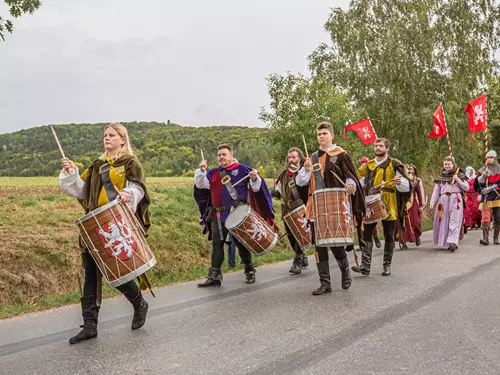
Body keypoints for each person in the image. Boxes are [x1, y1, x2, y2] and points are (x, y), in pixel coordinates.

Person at [59, 123, 151, 344]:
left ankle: (139, 302)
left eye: (111, 135)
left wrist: (129, 194)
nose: (106, 138)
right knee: (90, 274)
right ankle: (90, 326)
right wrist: (71, 173)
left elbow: (137, 188)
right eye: (105, 135)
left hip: (116, 225)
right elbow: (81, 190)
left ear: (122, 139)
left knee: (117, 272)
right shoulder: (97, 165)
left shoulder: (130, 163)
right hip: (93, 226)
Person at [296, 122, 365, 295]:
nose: (321, 136)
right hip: (315, 206)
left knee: (334, 243)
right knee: (319, 245)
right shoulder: (311, 158)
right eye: (319, 134)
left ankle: (345, 270)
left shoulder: (341, 155)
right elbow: (301, 182)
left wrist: (350, 186)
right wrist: (305, 171)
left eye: (325, 133)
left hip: (334, 203)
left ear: (332, 135)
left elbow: (351, 177)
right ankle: (325, 283)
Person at [194, 144, 274, 286]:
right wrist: (201, 171)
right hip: (217, 215)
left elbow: (256, 186)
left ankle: (249, 270)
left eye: (224, 154)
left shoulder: (243, 170)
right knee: (217, 244)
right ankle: (215, 276)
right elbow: (201, 185)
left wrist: (255, 178)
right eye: (219, 155)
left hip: (237, 213)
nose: (221, 157)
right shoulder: (213, 173)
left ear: (231, 155)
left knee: (241, 243)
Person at [353, 138, 411, 276]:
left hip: (389, 202)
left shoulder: (395, 164)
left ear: (387, 148)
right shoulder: (368, 165)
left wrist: (399, 182)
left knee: (389, 235)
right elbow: (357, 179)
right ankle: (365, 266)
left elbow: (406, 184)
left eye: (381, 146)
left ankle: (387, 265)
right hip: (371, 201)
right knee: (366, 234)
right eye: (376, 145)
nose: (378, 147)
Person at [272, 147, 310, 274]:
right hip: (287, 209)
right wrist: (276, 193)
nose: (291, 160)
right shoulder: (283, 174)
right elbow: (279, 187)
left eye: (294, 157)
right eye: (289, 157)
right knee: (291, 236)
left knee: (299, 233)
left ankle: (297, 261)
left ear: (300, 158)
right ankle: (302, 256)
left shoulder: (304, 172)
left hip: (301, 207)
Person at [429, 156, 468, 252]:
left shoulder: (460, 174)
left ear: (453, 164)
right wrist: (432, 202)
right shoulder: (441, 176)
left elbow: (466, 187)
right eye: (445, 164)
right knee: (444, 220)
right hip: (443, 200)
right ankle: (445, 241)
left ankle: (452, 242)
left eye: (449, 164)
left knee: (454, 220)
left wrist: (457, 179)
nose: (447, 166)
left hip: (455, 199)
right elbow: (436, 190)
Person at [395, 164, 425, 249]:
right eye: (407, 168)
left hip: (413, 203)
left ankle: (417, 235)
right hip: (402, 203)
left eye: (410, 168)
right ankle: (403, 241)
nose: (408, 170)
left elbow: (419, 193)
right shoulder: (401, 180)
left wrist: (421, 206)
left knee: (415, 221)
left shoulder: (416, 181)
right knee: (403, 223)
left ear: (414, 171)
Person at [477, 150, 500, 245]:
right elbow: (478, 184)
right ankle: (485, 238)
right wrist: (483, 177)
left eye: (491, 157)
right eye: (488, 157)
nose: (489, 159)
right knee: (485, 218)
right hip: (486, 196)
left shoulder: (499, 169)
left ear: (495, 158)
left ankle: (496, 238)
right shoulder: (482, 170)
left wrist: (493, 187)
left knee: (498, 218)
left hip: (496, 195)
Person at [359, 156, 381, 249]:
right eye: (362, 164)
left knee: (372, 219)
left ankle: (375, 237)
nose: (364, 165)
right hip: (362, 200)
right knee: (362, 222)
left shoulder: (373, 173)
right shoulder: (359, 174)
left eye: (365, 163)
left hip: (371, 199)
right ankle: (363, 242)